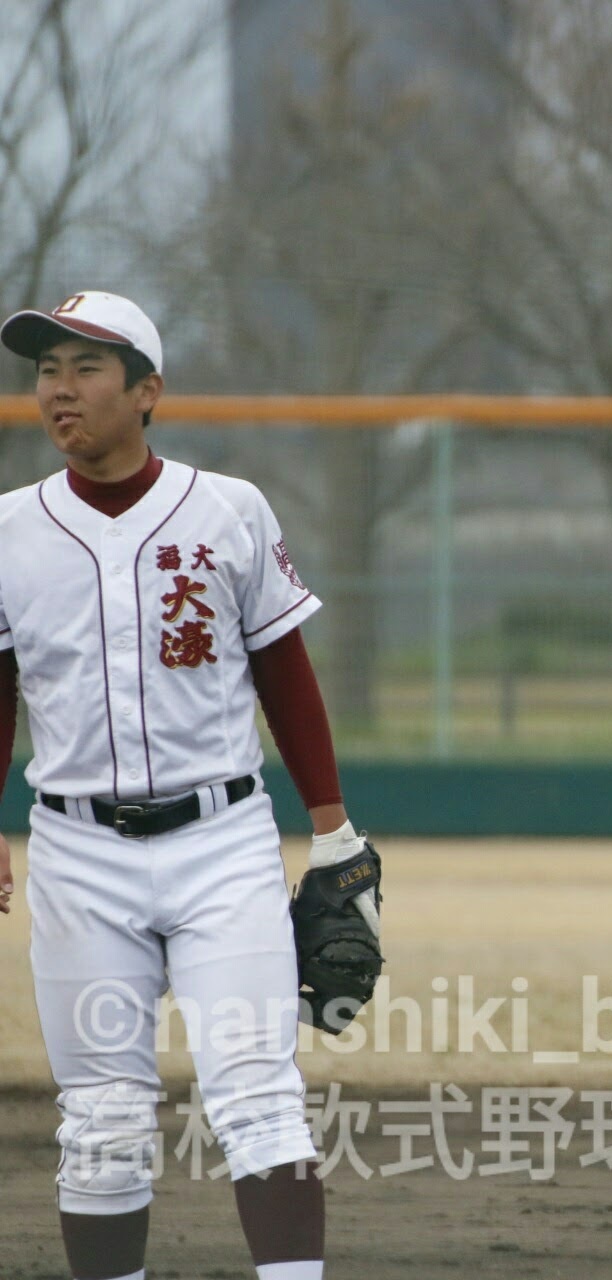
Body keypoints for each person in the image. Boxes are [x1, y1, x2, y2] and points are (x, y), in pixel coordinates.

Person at [0, 291, 380, 1279]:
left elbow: (284, 672)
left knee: (258, 1092)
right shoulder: (9, 529)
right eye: (47, 369)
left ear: (147, 389)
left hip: (223, 839)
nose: (59, 389)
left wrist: (333, 831)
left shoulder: (229, 509)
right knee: (104, 1119)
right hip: (78, 849)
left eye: (87, 367)